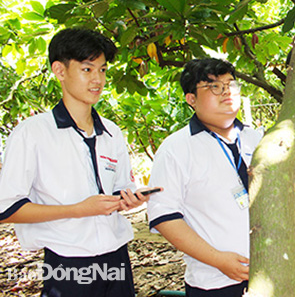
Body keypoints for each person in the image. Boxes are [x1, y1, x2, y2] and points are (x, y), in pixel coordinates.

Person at [0, 27, 151, 297]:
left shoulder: (111, 131)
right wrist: (77, 210)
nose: (98, 80)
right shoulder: (32, 133)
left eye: (103, 70)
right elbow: (8, 209)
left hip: (117, 257)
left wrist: (128, 198)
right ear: (59, 71)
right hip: (67, 263)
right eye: (87, 69)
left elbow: (119, 187)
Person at [147, 58, 262, 297]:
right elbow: (164, 217)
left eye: (230, 84)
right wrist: (218, 260)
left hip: (272, 272)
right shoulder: (176, 149)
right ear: (191, 99)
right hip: (215, 281)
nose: (226, 92)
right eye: (214, 86)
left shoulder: (259, 139)